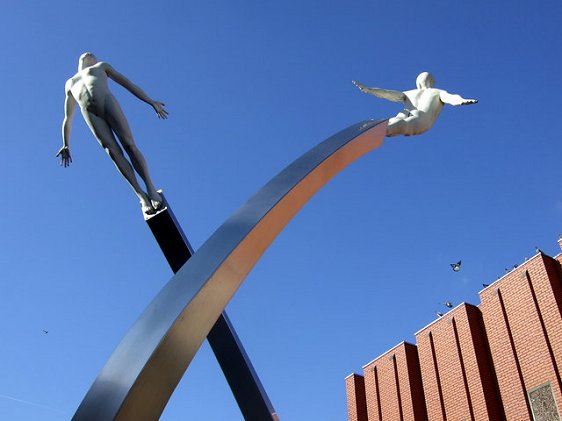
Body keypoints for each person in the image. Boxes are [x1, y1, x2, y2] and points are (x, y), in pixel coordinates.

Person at [58, 52, 168, 215]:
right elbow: (68, 116)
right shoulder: (70, 83)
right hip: (91, 113)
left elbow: (128, 84)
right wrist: (65, 143)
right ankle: (141, 196)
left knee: (129, 145)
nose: (88, 54)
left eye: (92, 54)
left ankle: (150, 188)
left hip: (107, 102)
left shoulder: (101, 66)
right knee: (113, 152)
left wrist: (150, 101)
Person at [352, 72, 477, 137]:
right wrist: (370, 90)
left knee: (401, 123)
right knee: (395, 120)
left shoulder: (436, 92)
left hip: (420, 120)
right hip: (407, 116)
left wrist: (461, 100)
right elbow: (388, 93)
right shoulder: (410, 93)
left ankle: (379, 130)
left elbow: (450, 97)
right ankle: (375, 128)